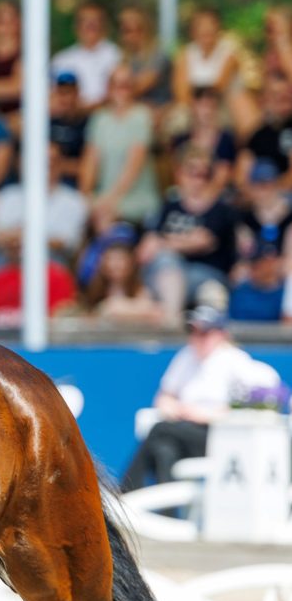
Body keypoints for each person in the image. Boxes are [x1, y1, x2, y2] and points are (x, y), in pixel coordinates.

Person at [120, 304, 281, 491]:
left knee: (159, 429)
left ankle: (124, 493)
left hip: (217, 435)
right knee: (164, 450)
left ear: (221, 334)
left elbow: (249, 407)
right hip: (181, 430)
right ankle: (168, 515)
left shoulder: (236, 361)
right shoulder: (185, 356)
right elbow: (164, 395)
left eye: (204, 332)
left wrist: (204, 414)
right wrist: (174, 408)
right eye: (193, 331)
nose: (197, 338)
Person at [138, 147, 237, 322]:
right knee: (161, 269)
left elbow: (202, 241)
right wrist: (174, 242)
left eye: (204, 174)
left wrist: (163, 243)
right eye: (192, 172)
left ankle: (170, 321)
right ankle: (165, 317)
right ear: (180, 173)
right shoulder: (169, 206)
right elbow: (145, 249)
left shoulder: (220, 209)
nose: (197, 180)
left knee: (168, 261)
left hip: (206, 273)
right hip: (164, 274)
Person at [79, 66, 161, 232]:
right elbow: (90, 161)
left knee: (105, 219)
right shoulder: (99, 119)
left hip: (135, 198)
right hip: (105, 198)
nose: (121, 90)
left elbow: (135, 164)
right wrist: (86, 195)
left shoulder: (142, 116)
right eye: (117, 85)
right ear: (109, 88)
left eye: (126, 85)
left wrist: (109, 200)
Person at [50, 2, 121, 108]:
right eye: (85, 21)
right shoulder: (61, 59)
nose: (90, 25)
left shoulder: (116, 55)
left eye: (95, 21)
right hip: (70, 117)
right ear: (76, 26)